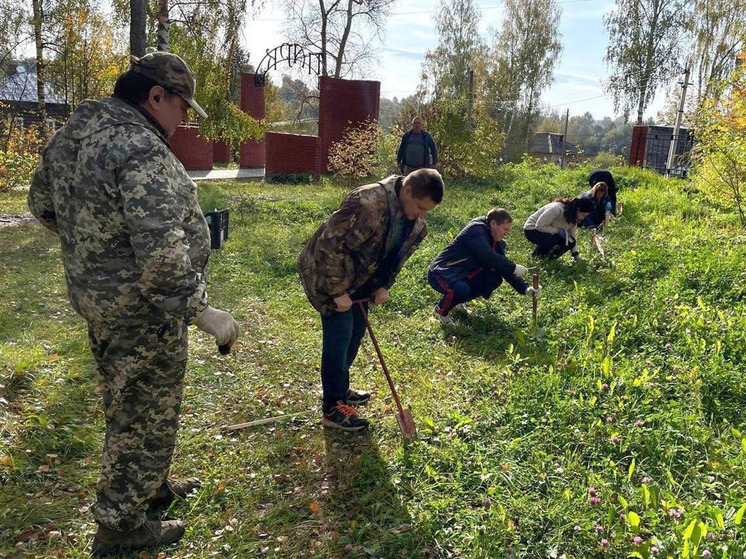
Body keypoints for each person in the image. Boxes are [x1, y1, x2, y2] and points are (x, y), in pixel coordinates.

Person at [27, 52, 240, 557]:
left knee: (130, 404)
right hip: (146, 312)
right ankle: (121, 530)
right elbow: (161, 248)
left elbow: (42, 204)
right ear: (155, 97)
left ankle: (149, 488)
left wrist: (96, 250)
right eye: (181, 106)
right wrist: (201, 311)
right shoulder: (138, 147)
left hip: (101, 303)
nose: (184, 117)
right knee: (142, 416)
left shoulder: (75, 136)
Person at [298, 169, 444, 431]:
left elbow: (397, 258)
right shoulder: (366, 203)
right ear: (407, 191)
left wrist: (383, 286)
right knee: (340, 335)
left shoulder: (416, 224)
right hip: (328, 274)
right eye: (421, 207)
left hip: (360, 281)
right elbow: (328, 246)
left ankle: (340, 388)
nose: (422, 215)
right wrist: (337, 290)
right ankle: (333, 406)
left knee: (355, 334)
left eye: (427, 211)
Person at [429, 208, 542, 326]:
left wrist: (525, 288)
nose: (506, 233)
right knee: (461, 289)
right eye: (504, 229)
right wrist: (513, 267)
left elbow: (502, 267)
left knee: (494, 278)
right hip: (441, 272)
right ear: (493, 224)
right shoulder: (476, 229)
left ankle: (456, 301)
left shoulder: (495, 241)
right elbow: (487, 254)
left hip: (460, 273)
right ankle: (440, 311)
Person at [523, 197, 596, 260]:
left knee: (571, 242)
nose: (582, 218)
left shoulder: (573, 217)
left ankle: (550, 258)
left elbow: (573, 235)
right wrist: (557, 231)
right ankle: (536, 257)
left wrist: (575, 254)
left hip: (549, 231)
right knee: (551, 240)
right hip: (532, 230)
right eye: (582, 215)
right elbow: (539, 226)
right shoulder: (556, 209)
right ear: (577, 209)